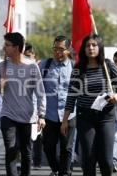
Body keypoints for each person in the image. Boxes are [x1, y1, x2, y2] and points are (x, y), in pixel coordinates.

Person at [61, 34, 117, 176]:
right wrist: (65, 120)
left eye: (94, 45)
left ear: (99, 48)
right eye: (88, 45)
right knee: (89, 159)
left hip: (106, 117)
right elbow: (71, 96)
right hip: (85, 117)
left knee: (106, 161)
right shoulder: (78, 69)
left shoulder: (108, 65)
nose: (91, 48)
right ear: (83, 49)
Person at [0, 32, 46, 176]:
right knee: (11, 150)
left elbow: (40, 92)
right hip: (7, 114)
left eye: (7, 45)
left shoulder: (32, 66)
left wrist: (41, 115)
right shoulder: (2, 66)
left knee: (26, 152)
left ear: (16, 47)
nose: (4, 48)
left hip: (27, 116)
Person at [39, 36, 76, 176]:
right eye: (55, 49)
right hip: (49, 115)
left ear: (69, 49)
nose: (58, 53)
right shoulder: (44, 65)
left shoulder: (75, 67)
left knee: (67, 148)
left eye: (61, 49)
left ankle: (64, 173)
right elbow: (36, 88)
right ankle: (56, 169)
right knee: (48, 147)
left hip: (69, 114)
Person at [23, 43, 42, 169]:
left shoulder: (40, 68)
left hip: (37, 107)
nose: (28, 58)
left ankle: (37, 160)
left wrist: (41, 112)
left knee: (36, 136)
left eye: (30, 56)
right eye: (26, 56)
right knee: (25, 137)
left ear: (34, 56)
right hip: (24, 108)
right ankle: (26, 160)